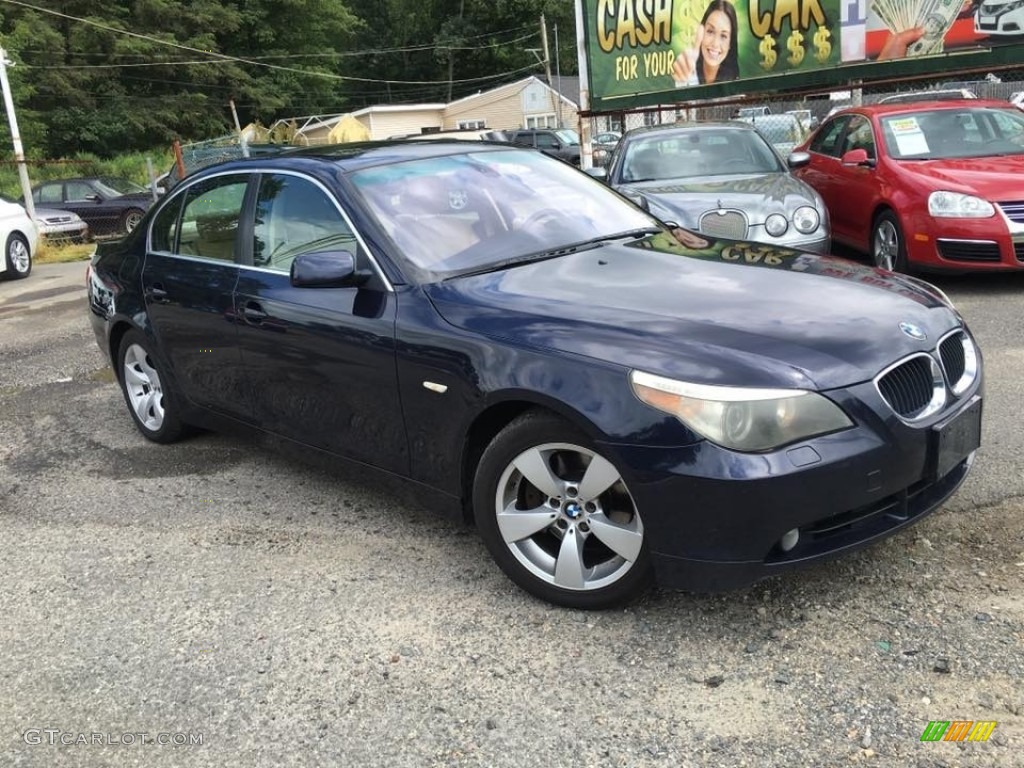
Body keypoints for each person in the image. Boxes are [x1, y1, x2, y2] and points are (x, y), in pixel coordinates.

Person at [672, 0, 740, 86]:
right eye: (710, 31)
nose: (715, 43)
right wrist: (681, 80)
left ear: (730, 43)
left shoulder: (734, 86)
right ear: (701, 32)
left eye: (723, 36)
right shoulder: (689, 67)